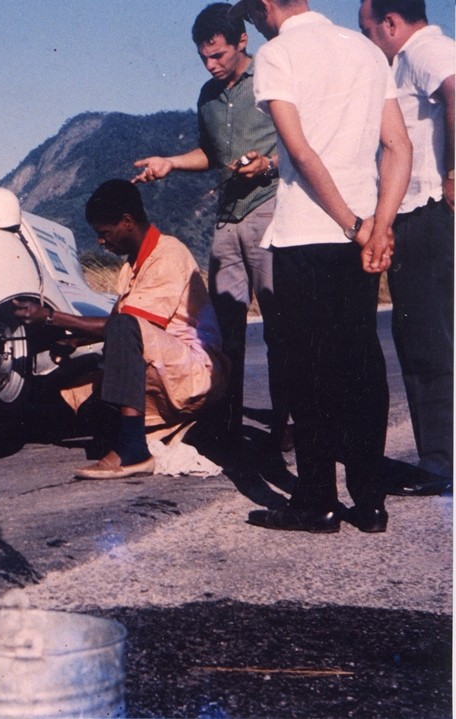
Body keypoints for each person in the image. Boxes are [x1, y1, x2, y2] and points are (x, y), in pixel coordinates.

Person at [230, 0, 412, 533]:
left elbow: (302, 153)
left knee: (307, 372)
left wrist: (354, 225)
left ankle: (317, 501)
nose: (253, 23)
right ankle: (370, 500)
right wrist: (379, 225)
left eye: (251, 14)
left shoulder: (277, 54)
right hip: (363, 232)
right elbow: (398, 145)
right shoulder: (366, 50)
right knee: (361, 361)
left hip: (309, 233)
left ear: (265, 6)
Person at [132, 2, 290, 452]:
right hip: (228, 219)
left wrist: (268, 164)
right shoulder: (207, 95)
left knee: (280, 326)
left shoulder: (271, 76)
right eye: (203, 57)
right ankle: (227, 424)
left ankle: (288, 424)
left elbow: (300, 141)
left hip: (272, 210)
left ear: (242, 41)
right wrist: (170, 163)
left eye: (218, 55)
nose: (211, 65)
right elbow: (210, 153)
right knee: (222, 332)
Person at [13, 180, 227, 480]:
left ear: (127, 222)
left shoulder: (168, 254)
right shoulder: (131, 267)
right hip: (161, 367)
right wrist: (72, 340)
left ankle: (133, 450)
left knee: (124, 328)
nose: (101, 242)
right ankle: (138, 430)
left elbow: (126, 327)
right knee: (64, 395)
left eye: (104, 233)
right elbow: (120, 326)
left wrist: (51, 317)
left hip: (192, 373)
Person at [358, 0, 454, 496]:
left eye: (369, 31)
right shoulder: (414, 57)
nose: (369, 44)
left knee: (427, 340)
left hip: (428, 213)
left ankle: (441, 463)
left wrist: (455, 171)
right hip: (419, 215)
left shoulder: (423, 50)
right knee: (426, 335)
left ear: (391, 24)